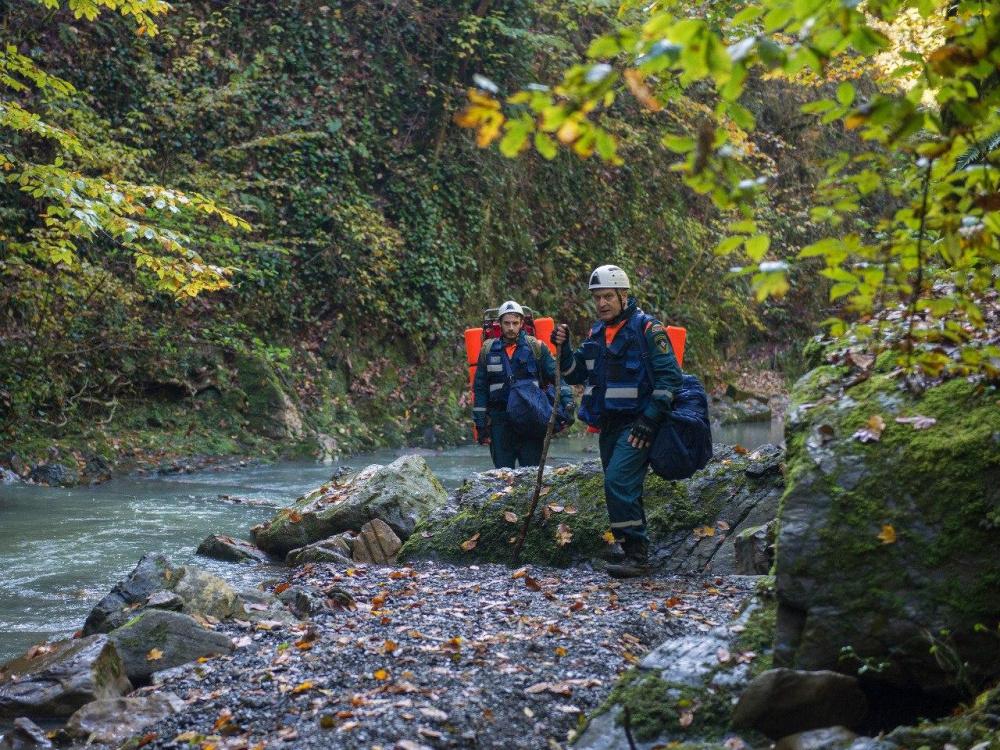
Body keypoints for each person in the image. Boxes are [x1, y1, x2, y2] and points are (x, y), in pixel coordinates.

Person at [553, 265, 683, 577]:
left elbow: (670, 379)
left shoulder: (648, 329)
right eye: (597, 298)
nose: (601, 303)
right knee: (618, 487)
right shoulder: (597, 334)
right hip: (608, 425)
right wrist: (565, 348)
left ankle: (638, 555)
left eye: (608, 296)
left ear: (624, 296)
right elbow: (576, 375)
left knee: (617, 481)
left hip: (638, 424)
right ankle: (630, 549)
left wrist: (649, 421)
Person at [473, 300, 574, 469]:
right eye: (507, 323)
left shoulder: (536, 348)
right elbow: (480, 388)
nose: (511, 327)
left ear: (521, 323)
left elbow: (556, 378)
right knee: (502, 476)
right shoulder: (488, 350)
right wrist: (480, 423)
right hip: (500, 422)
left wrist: (568, 402)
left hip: (531, 420)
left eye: (515, 323)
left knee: (532, 473)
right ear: (500, 324)